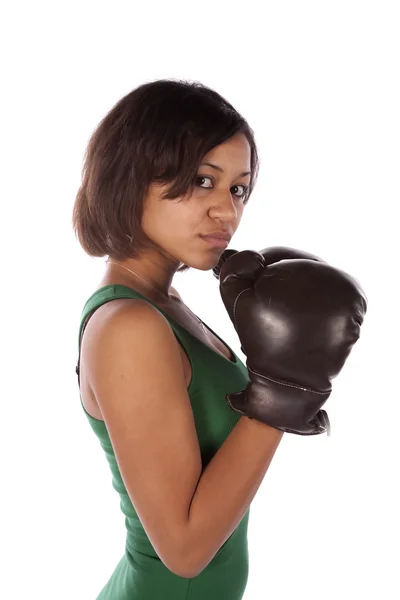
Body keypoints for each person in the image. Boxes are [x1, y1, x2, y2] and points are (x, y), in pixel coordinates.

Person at [72, 78, 285, 599]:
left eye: (238, 188)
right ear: (132, 177)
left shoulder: (166, 306)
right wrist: (285, 388)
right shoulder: (130, 324)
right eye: (202, 181)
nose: (227, 211)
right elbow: (185, 551)